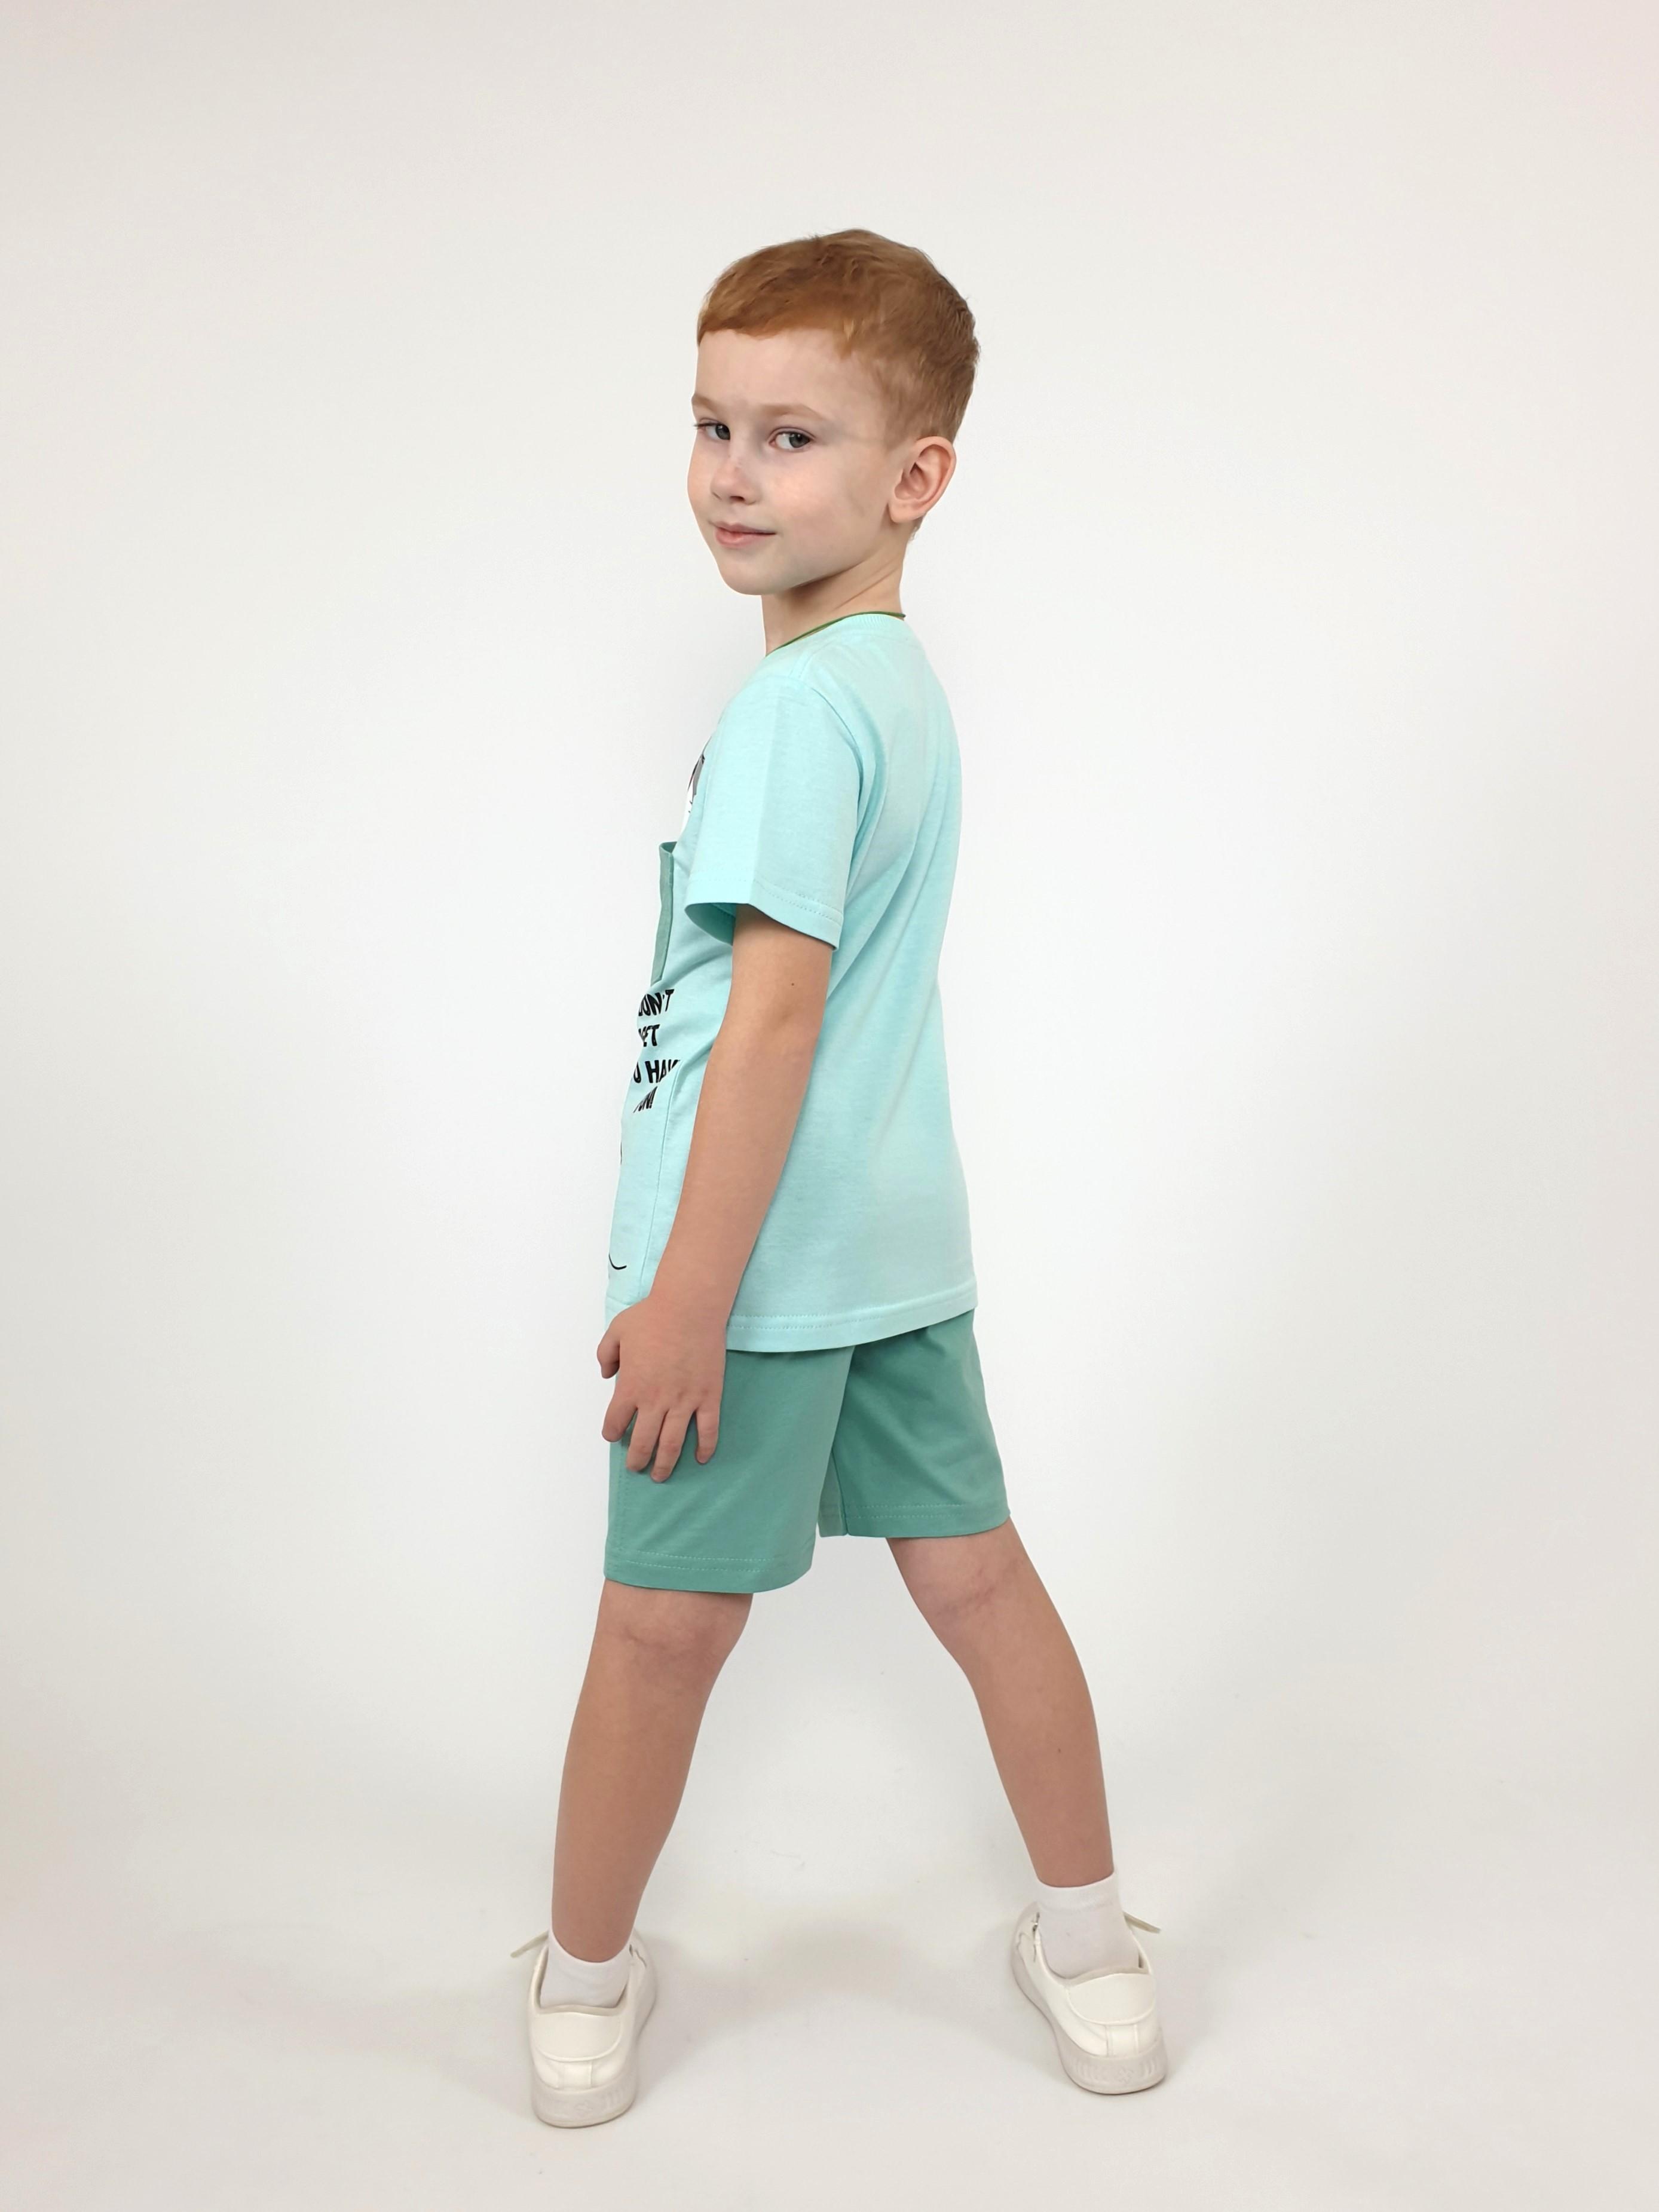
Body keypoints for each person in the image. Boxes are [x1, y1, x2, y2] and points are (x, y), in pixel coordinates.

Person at [519, 228, 1165, 2127]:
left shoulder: (798, 713)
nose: (733, 473)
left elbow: (773, 1023)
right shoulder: (893, 684)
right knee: (982, 1585)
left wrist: (688, 1300)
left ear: (915, 477)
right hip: (900, 1249)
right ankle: (1097, 1957)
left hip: (761, 1275)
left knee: (660, 1631)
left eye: (791, 437)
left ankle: (580, 1987)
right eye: (713, 423)